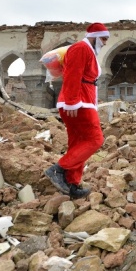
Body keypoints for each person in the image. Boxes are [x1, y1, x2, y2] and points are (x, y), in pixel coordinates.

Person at [44, 22, 109, 198]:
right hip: (78, 103)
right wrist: (72, 102)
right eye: (103, 38)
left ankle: (72, 183)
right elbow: (73, 74)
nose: (105, 42)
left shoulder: (87, 50)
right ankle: (58, 169)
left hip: (81, 101)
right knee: (95, 139)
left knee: (78, 142)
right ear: (94, 37)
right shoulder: (81, 48)